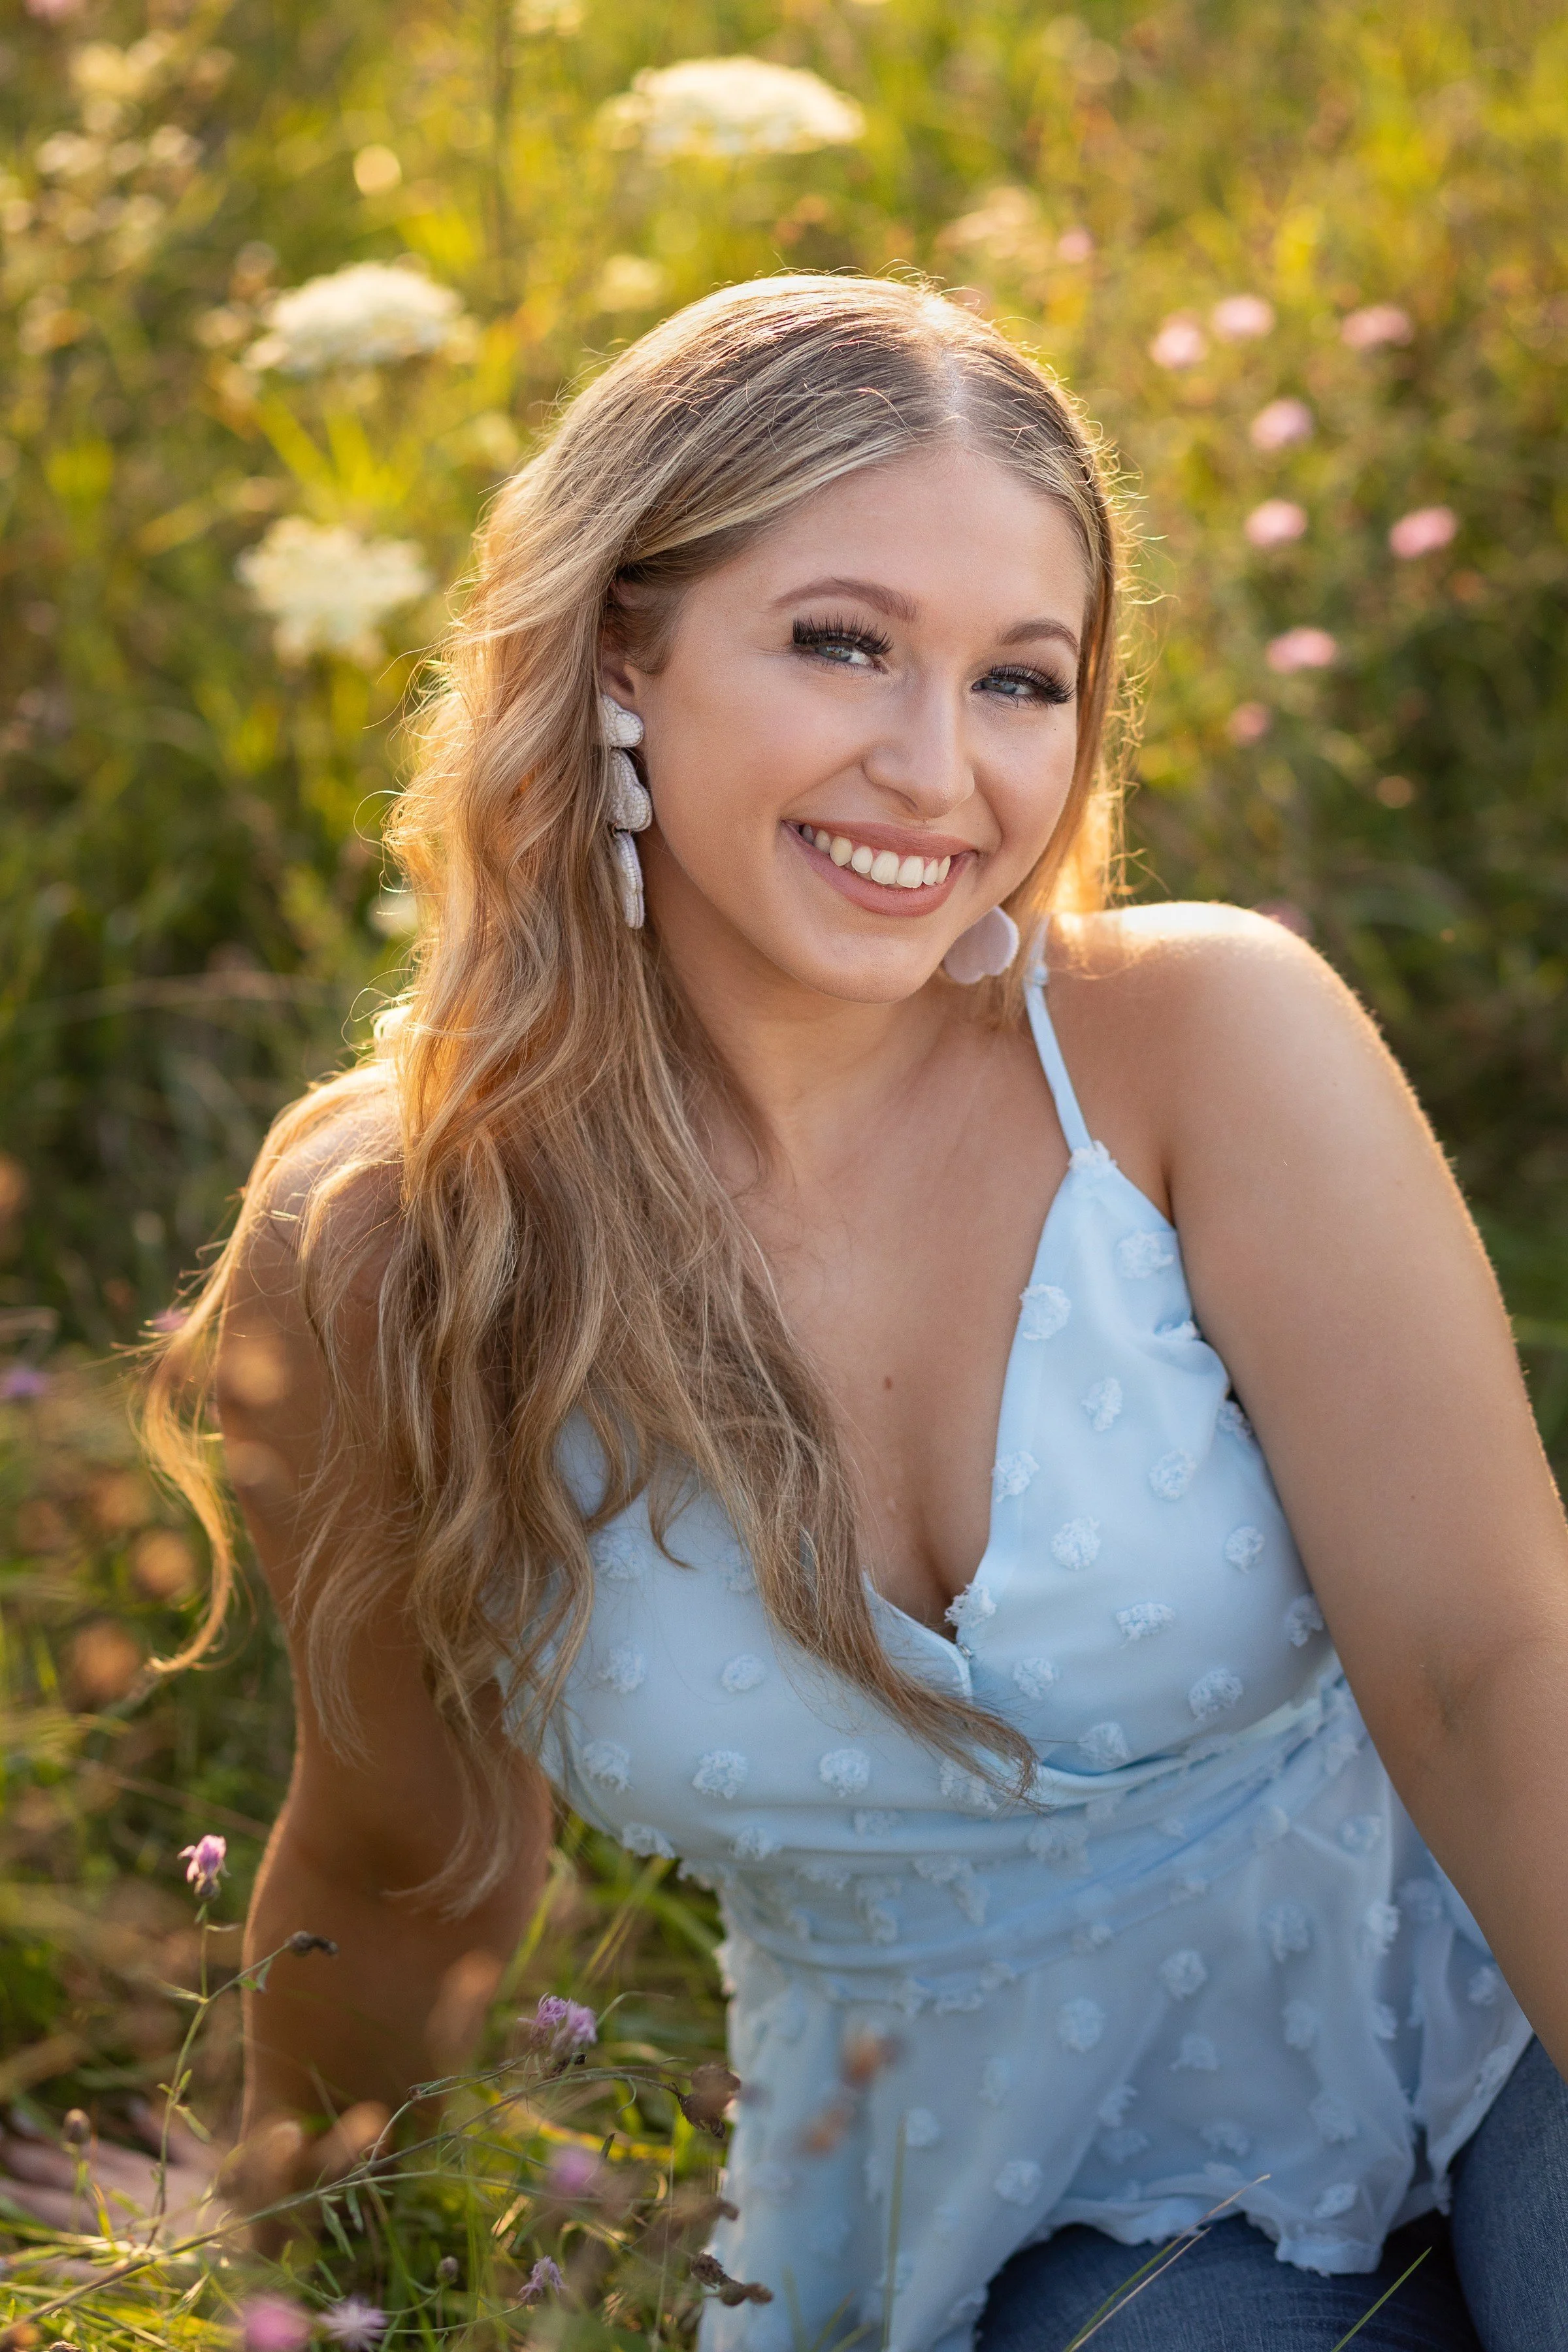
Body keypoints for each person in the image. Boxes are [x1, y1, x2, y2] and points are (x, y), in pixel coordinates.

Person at [127, 276, 1568, 2344]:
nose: (936, 772)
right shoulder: (389, 1253)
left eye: (1021, 681)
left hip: (1489, 1970)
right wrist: (276, 2297)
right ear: (623, 649)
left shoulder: (1197, 1044)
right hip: (999, 2185)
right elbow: (400, 1872)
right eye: (842, 644)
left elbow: (1485, 1673)